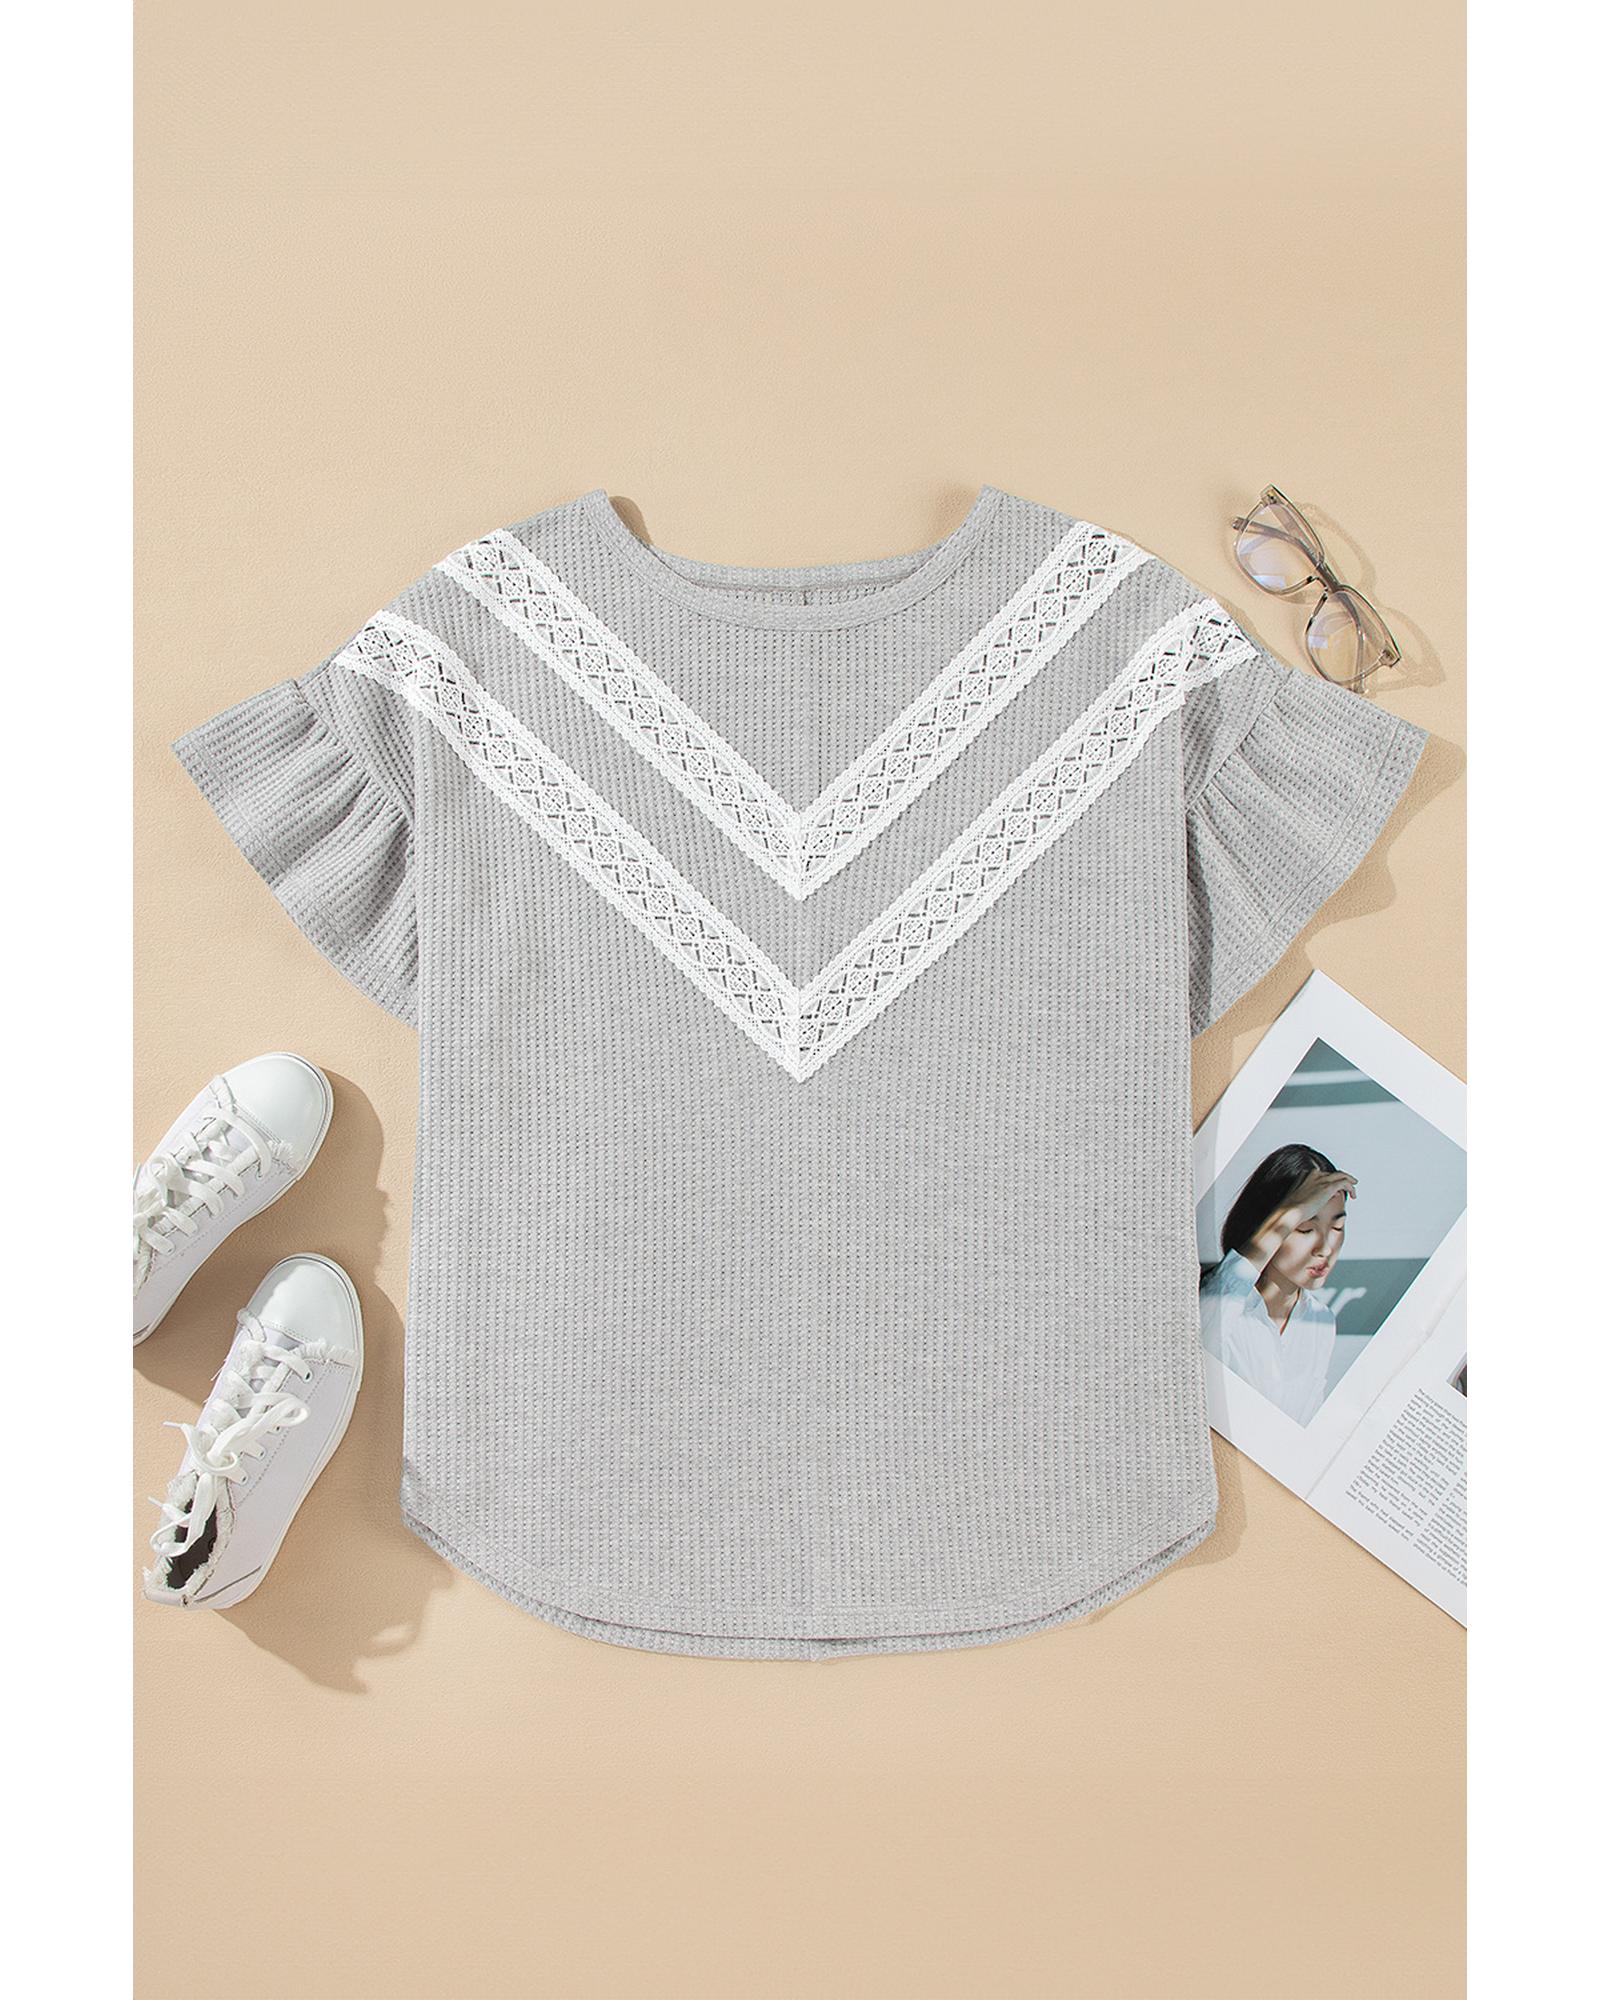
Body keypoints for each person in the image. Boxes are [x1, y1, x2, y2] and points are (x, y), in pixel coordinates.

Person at [1199, 1145, 1352, 1426]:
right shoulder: (1218, 1301)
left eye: (1337, 1228)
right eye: (1305, 1228)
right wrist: (1289, 1213)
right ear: (1268, 1222)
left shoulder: (1321, 1320)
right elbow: (1191, 1353)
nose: (1325, 1248)